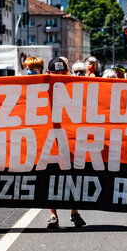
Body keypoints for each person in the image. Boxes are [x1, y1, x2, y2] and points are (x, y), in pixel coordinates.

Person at [45, 57, 86, 228]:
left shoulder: (76, 88)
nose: (60, 77)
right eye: (56, 74)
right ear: (49, 73)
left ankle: (74, 212)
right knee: (49, 178)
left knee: (73, 177)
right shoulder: (40, 89)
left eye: (63, 73)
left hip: (71, 140)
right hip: (49, 141)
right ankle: (53, 216)